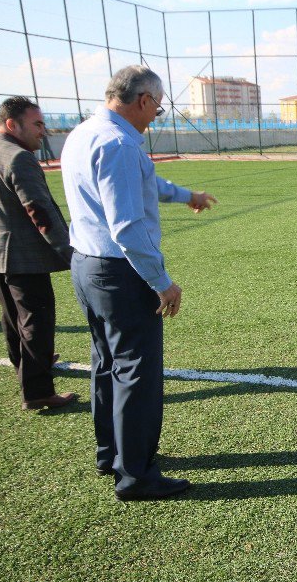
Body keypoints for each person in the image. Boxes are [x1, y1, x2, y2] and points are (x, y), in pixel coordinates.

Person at [61, 65, 217, 501]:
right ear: (143, 100)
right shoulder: (118, 145)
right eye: (159, 107)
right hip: (118, 273)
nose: (157, 115)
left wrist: (188, 196)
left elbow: (145, 183)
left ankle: (109, 454)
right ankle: (136, 476)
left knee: (107, 364)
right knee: (136, 373)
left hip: (86, 267)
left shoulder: (85, 133)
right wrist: (162, 282)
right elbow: (128, 227)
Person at [0, 96, 76, 411]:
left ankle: (24, 364)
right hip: (22, 256)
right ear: (12, 124)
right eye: (37, 124)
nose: (43, 132)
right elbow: (40, 212)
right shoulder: (18, 158)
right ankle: (37, 391)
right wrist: (71, 254)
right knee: (36, 318)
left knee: (11, 315)